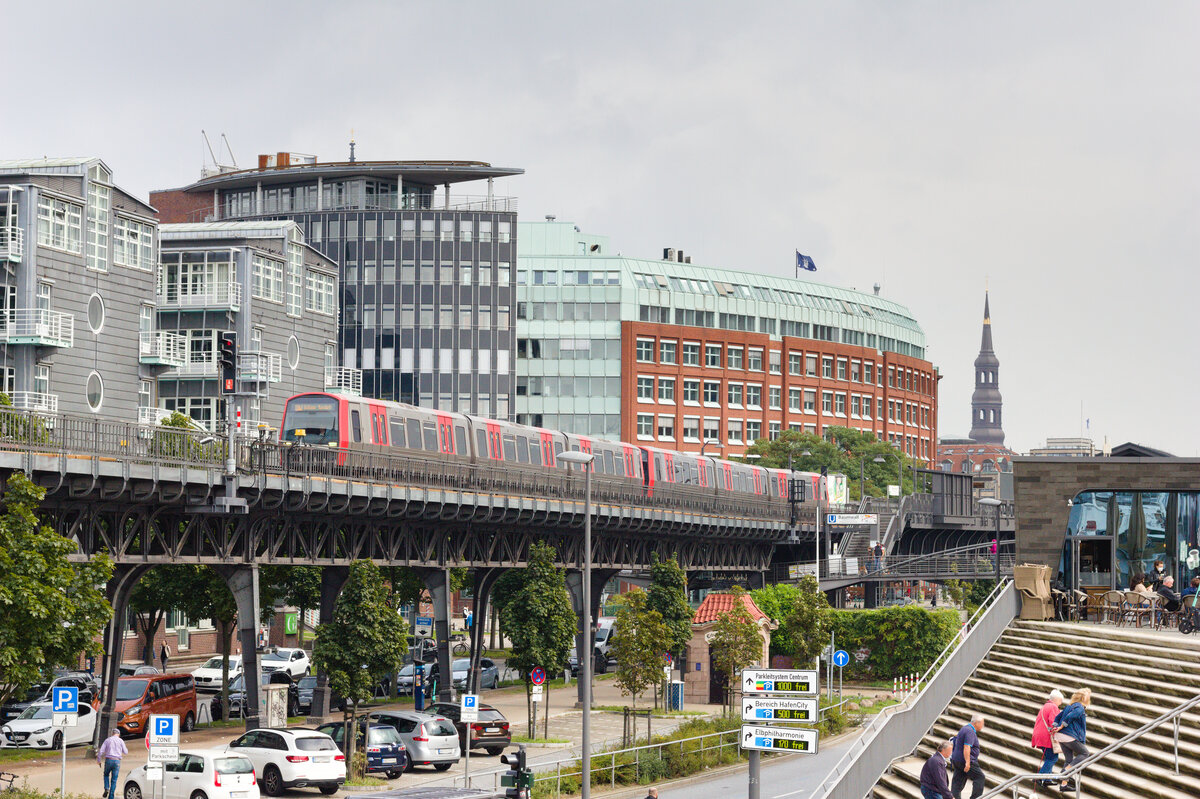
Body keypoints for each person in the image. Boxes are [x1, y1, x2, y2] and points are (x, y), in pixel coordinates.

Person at [1052, 688, 1092, 792]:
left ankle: (1064, 785)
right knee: (1085, 753)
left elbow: (1057, 716)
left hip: (1060, 736)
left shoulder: (1068, 706)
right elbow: (1073, 715)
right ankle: (1066, 770)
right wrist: (1062, 725)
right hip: (1068, 735)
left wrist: (1055, 725)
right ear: (1083, 698)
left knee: (1069, 759)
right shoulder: (1079, 707)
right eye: (1088, 696)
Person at [1030, 689, 1064, 785]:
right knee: (1053, 758)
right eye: (1060, 700)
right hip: (1046, 737)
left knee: (1049, 757)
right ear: (1056, 699)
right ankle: (1039, 777)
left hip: (1039, 735)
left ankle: (1047, 779)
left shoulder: (1045, 706)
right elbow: (1054, 723)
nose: (1061, 703)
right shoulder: (1053, 707)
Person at [950, 714, 986, 799]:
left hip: (957, 759)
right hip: (965, 760)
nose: (983, 726)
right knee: (980, 777)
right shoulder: (970, 731)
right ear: (977, 723)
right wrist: (968, 762)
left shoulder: (965, 728)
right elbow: (967, 747)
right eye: (982, 723)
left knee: (957, 783)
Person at [97, 727, 128, 798]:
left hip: (108, 760)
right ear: (119, 734)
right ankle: (111, 796)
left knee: (106, 774)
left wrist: (99, 760)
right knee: (114, 779)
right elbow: (126, 752)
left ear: (112, 733)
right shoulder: (121, 741)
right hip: (117, 761)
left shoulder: (107, 740)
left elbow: (101, 751)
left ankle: (106, 788)